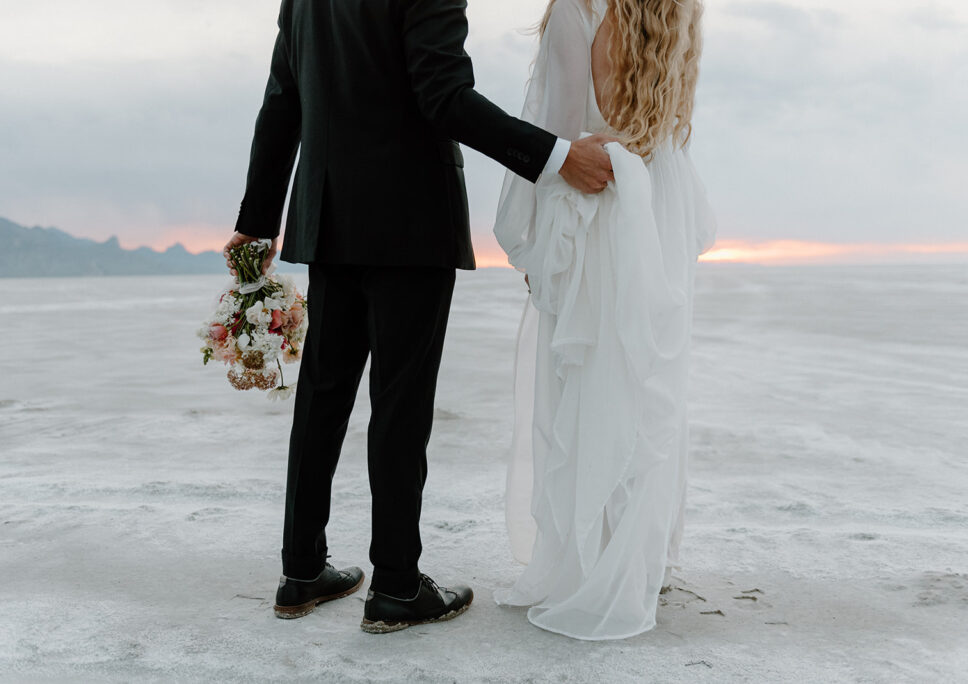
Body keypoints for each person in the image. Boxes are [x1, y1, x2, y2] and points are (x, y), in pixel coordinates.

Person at [222, 0, 617, 635]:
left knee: (322, 398)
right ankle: (398, 586)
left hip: (328, 217)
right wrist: (555, 156)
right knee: (400, 406)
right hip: (410, 220)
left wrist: (256, 222)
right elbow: (443, 95)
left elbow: (283, 102)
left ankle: (300, 572)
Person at [493, 0, 717, 640]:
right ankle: (642, 553)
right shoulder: (676, 10)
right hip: (660, 206)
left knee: (590, 383)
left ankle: (590, 563)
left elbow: (559, 137)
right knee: (645, 379)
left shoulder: (576, 11)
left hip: (599, 210)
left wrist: (531, 239)